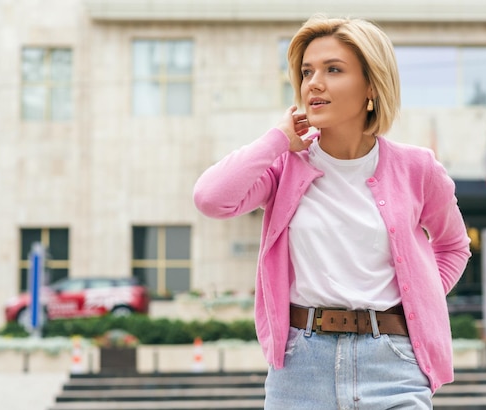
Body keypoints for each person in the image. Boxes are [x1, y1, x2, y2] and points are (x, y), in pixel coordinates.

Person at [193, 15, 471, 409]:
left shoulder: (418, 169)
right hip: (301, 370)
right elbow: (210, 198)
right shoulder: (284, 167)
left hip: (393, 366)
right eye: (307, 72)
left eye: (333, 70)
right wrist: (277, 139)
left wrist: (418, 296)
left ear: (371, 85)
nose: (313, 83)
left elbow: (453, 246)